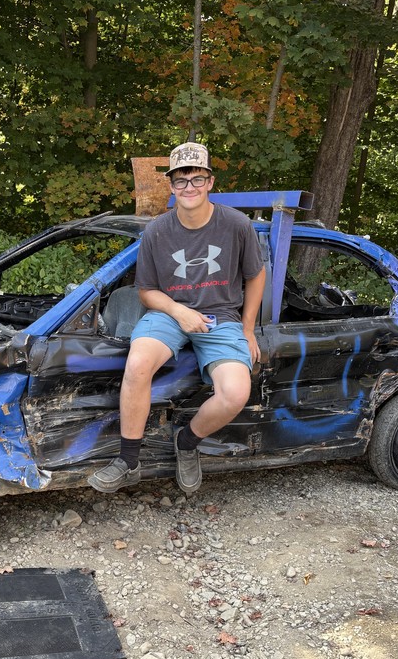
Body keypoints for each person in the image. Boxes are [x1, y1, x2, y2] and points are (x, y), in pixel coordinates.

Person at [88, 141, 266, 495]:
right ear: (170, 186)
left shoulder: (236, 225)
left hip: (221, 316)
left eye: (197, 179)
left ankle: (186, 442)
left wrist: (247, 329)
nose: (189, 187)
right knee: (137, 364)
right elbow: (146, 291)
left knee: (235, 392)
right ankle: (129, 460)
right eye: (181, 180)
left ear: (210, 182)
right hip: (168, 311)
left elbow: (255, 275)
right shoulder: (157, 230)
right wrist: (178, 310)